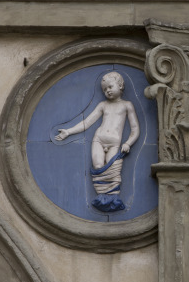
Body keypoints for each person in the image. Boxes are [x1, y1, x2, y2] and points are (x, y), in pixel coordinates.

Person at [55, 71, 140, 212]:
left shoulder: (127, 105)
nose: (107, 91)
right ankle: (101, 197)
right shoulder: (103, 105)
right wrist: (68, 131)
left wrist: (128, 143)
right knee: (99, 166)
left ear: (120, 86)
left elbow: (135, 129)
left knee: (113, 171)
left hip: (115, 143)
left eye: (110, 87)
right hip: (99, 140)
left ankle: (113, 199)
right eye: (105, 89)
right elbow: (87, 122)